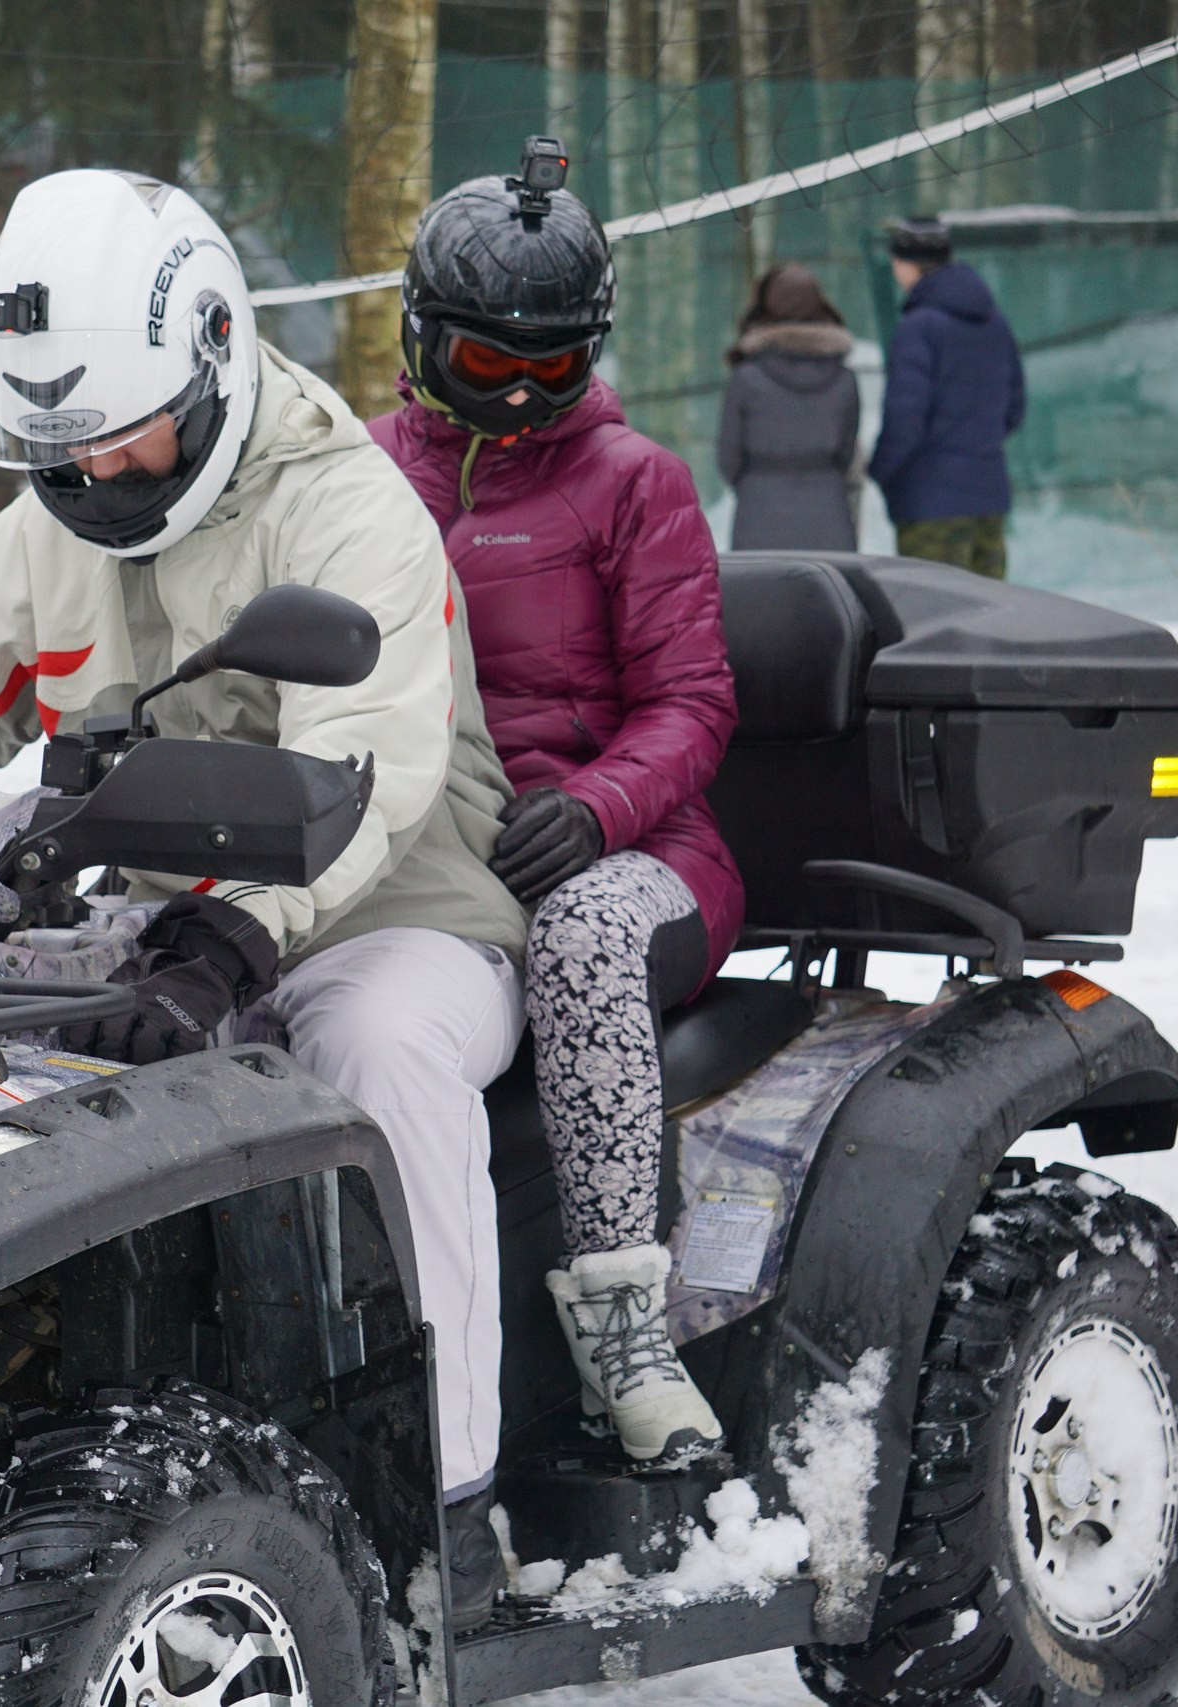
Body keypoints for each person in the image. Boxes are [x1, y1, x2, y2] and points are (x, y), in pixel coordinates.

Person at [0, 169, 531, 1631]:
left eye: (118, 432)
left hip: (394, 906)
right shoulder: (71, 506)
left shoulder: (346, 511)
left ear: (210, 355)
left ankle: (447, 1505)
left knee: (377, 1053)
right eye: (53, 441)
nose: (91, 471)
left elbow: (371, 774)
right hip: (158, 913)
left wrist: (237, 932)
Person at [367, 148, 743, 1479]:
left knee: (582, 934)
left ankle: (630, 1343)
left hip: (638, 857)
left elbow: (693, 702)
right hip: (435, 840)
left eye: (554, 369)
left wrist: (594, 808)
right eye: (487, 368)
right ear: (423, 341)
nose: (522, 399)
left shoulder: (635, 482)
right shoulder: (358, 483)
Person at [868, 215, 1026, 578]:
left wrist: (882, 470)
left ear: (907, 264)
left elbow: (905, 417)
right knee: (987, 618)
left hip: (930, 508)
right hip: (989, 497)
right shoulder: (994, 322)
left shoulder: (918, 327)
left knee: (933, 617)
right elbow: (1015, 409)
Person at [716, 263, 859, 551]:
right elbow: (847, 455)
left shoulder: (746, 378)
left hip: (758, 516)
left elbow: (727, 459)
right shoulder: (845, 379)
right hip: (829, 517)